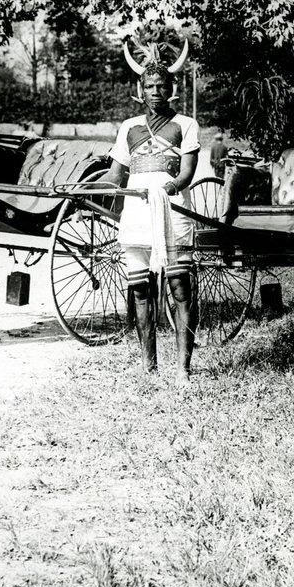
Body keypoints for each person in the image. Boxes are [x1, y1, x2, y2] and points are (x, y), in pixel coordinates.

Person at [102, 31, 200, 380]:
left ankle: (183, 370)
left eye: (162, 86)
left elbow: (187, 171)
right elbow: (115, 174)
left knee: (180, 290)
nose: (156, 92)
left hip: (172, 212)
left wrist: (170, 186)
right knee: (140, 290)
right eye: (150, 86)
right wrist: (85, 191)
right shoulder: (128, 127)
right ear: (140, 91)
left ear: (171, 89)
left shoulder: (186, 125)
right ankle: (148, 366)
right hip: (136, 218)